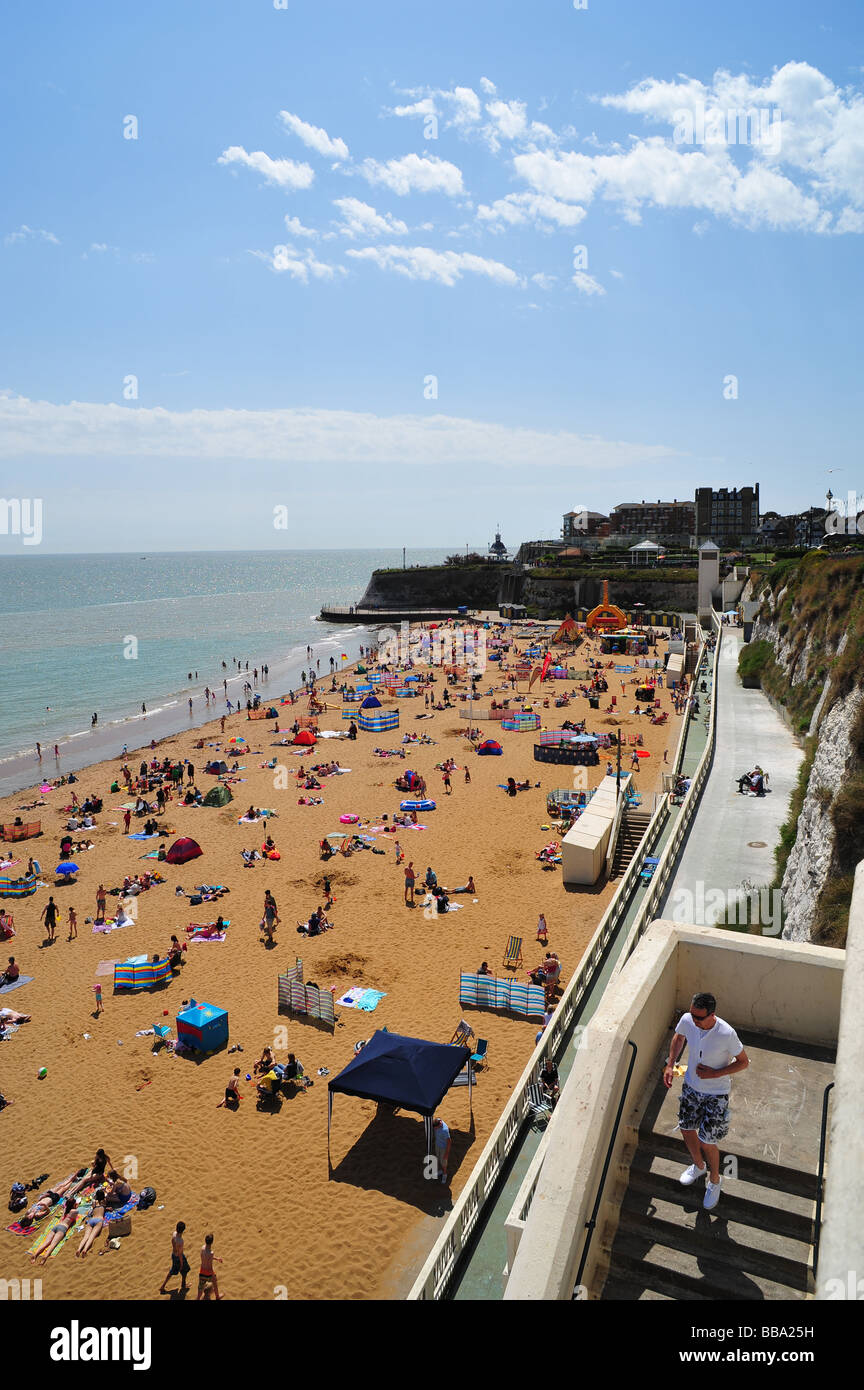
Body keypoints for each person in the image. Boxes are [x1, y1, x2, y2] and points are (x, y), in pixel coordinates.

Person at [662, 991, 750, 1211]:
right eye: (692, 1015)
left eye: (699, 1018)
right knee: (686, 1128)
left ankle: (714, 1181)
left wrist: (714, 1073)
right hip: (691, 1087)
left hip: (716, 1093)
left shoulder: (726, 1033)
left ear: (712, 1014)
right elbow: (679, 1037)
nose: (694, 1020)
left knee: (707, 1141)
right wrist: (671, 1064)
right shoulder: (688, 1020)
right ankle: (698, 1166)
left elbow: (743, 1062)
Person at [31, 1197, 80, 1264]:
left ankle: (35, 1254)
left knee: (46, 1242)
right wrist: (76, 1206)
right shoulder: (74, 1211)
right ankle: (44, 1257)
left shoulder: (65, 1210)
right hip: (63, 1228)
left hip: (56, 1226)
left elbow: (66, 1209)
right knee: (53, 1244)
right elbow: (74, 1219)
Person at [160, 1220, 191, 1293]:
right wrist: (181, 1263)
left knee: (172, 1271)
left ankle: (163, 1286)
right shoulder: (180, 1241)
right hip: (178, 1257)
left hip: (174, 1255)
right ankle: (183, 1284)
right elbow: (180, 1253)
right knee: (185, 1269)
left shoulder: (174, 1234)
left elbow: (173, 1243)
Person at [75, 1188, 107, 1258]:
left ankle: (79, 1249)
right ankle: (85, 1250)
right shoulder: (104, 1201)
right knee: (92, 1236)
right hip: (99, 1220)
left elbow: (94, 1204)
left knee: (86, 1236)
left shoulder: (94, 1202)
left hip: (91, 1220)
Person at [197, 1233, 223, 1300]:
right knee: (215, 1283)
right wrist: (213, 1275)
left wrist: (217, 1258)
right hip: (208, 1272)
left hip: (202, 1271)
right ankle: (217, 1296)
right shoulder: (211, 1253)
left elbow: (206, 1257)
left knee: (200, 1288)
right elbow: (210, 1266)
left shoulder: (202, 1248)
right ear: (212, 1242)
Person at [432, 1117, 451, 1184]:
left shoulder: (445, 1130)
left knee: (444, 1162)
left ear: (439, 1125)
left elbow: (449, 1142)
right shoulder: (437, 1121)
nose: (435, 1129)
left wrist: (446, 1154)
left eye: (435, 1128)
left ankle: (445, 1174)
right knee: (439, 1159)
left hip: (443, 1148)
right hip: (437, 1145)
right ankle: (442, 1171)